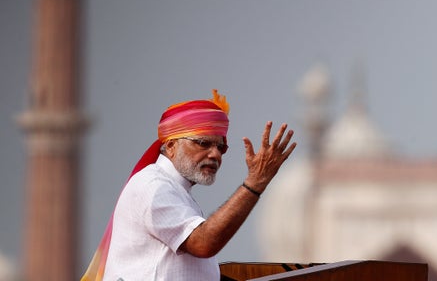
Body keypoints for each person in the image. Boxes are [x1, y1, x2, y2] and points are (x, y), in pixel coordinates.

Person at [80, 90, 296, 281]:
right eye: (203, 143)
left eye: (221, 148)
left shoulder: (177, 191)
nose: (215, 154)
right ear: (171, 146)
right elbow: (203, 243)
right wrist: (255, 183)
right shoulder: (153, 186)